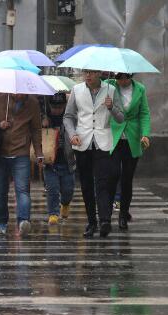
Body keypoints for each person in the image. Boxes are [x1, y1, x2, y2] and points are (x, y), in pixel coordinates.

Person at [63, 69, 124, 238]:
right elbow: (68, 117)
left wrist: (112, 108)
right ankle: (91, 221)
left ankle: (105, 220)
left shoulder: (111, 90)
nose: (88, 76)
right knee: (86, 184)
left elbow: (120, 117)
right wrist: (72, 134)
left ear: (99, 74)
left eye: (91, 73)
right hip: (83, 142)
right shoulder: (77, 90)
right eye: (85, 73)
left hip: (103, 141)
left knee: (103, 182)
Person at [0, 92, 42, 237]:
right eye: (17, 93)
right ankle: (1, 224)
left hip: (21, 152)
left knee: (23, 190)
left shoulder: (32, 103)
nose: (20, 95)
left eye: (23, 93)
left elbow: (36, 129)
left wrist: (39, 152)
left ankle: (23, 221)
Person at [107, 73, 151, 230]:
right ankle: (106, 214)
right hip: (114, 137)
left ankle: (123, 214)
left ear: (130, 76)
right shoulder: (109, 85)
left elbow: (144, 113)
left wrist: (145, 134)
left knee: (127, 179)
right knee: (112, 175)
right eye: (118, 78)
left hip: (132, 138)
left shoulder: (140, 89)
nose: (121, 81)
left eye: (124, 78)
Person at [41, 92, 76, 225]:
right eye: (54, 107)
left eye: (60, 107)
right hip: (51, 163)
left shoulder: (70, 118)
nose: (56, 110)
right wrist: (43, 122)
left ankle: (65, 204)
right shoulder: (45, 118)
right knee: (53, 190)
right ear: (49, 106)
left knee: (68, 190)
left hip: (68, 161)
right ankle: (53, 213)